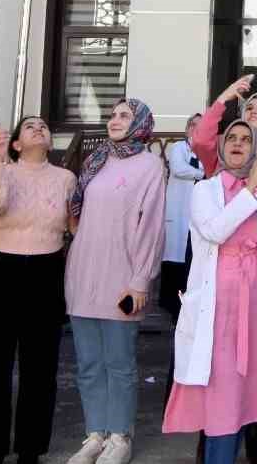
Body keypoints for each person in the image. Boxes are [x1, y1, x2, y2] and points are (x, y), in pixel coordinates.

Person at [162, 114, 257, 464]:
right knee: (222, 394)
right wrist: (248, 195)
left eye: (246, 139)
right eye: (232, 138)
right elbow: (215, 230)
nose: (239, 143)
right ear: (222, 148)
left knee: (247, 394)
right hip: (219, 304)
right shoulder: (205, 189)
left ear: (256, 150)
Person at [64, 97, 167, 464]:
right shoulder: (95, 160)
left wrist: (140, 280)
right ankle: (96, 433)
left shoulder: (150, 165)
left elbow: (151, 225)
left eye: (125, 115)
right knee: (89, 363)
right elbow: (76, 216)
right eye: (112, 114)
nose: (115, 120)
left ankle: (120, 436)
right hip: (83, 275)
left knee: (119, 363)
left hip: (123, 280)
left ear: (140, 123)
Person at [0, 116, 76, 464]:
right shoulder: (3, 170)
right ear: (16, 143)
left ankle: (31, 450)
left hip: (46, 271)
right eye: (29, 126)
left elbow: (74, 225)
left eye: (43, 126)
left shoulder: (66, 178)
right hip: (0, 270)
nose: (39, 128)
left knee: (40, 369)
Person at [160, 114, 204, 320]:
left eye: (200, 126)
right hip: (178, 215)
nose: (196, 129)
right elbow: (179, 168)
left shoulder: (208, 151)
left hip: (197, 215)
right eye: (192, 125)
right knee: (175, 260)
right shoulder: (179, 148)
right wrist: (203, 173)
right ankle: (173, 312)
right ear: (187, 129)